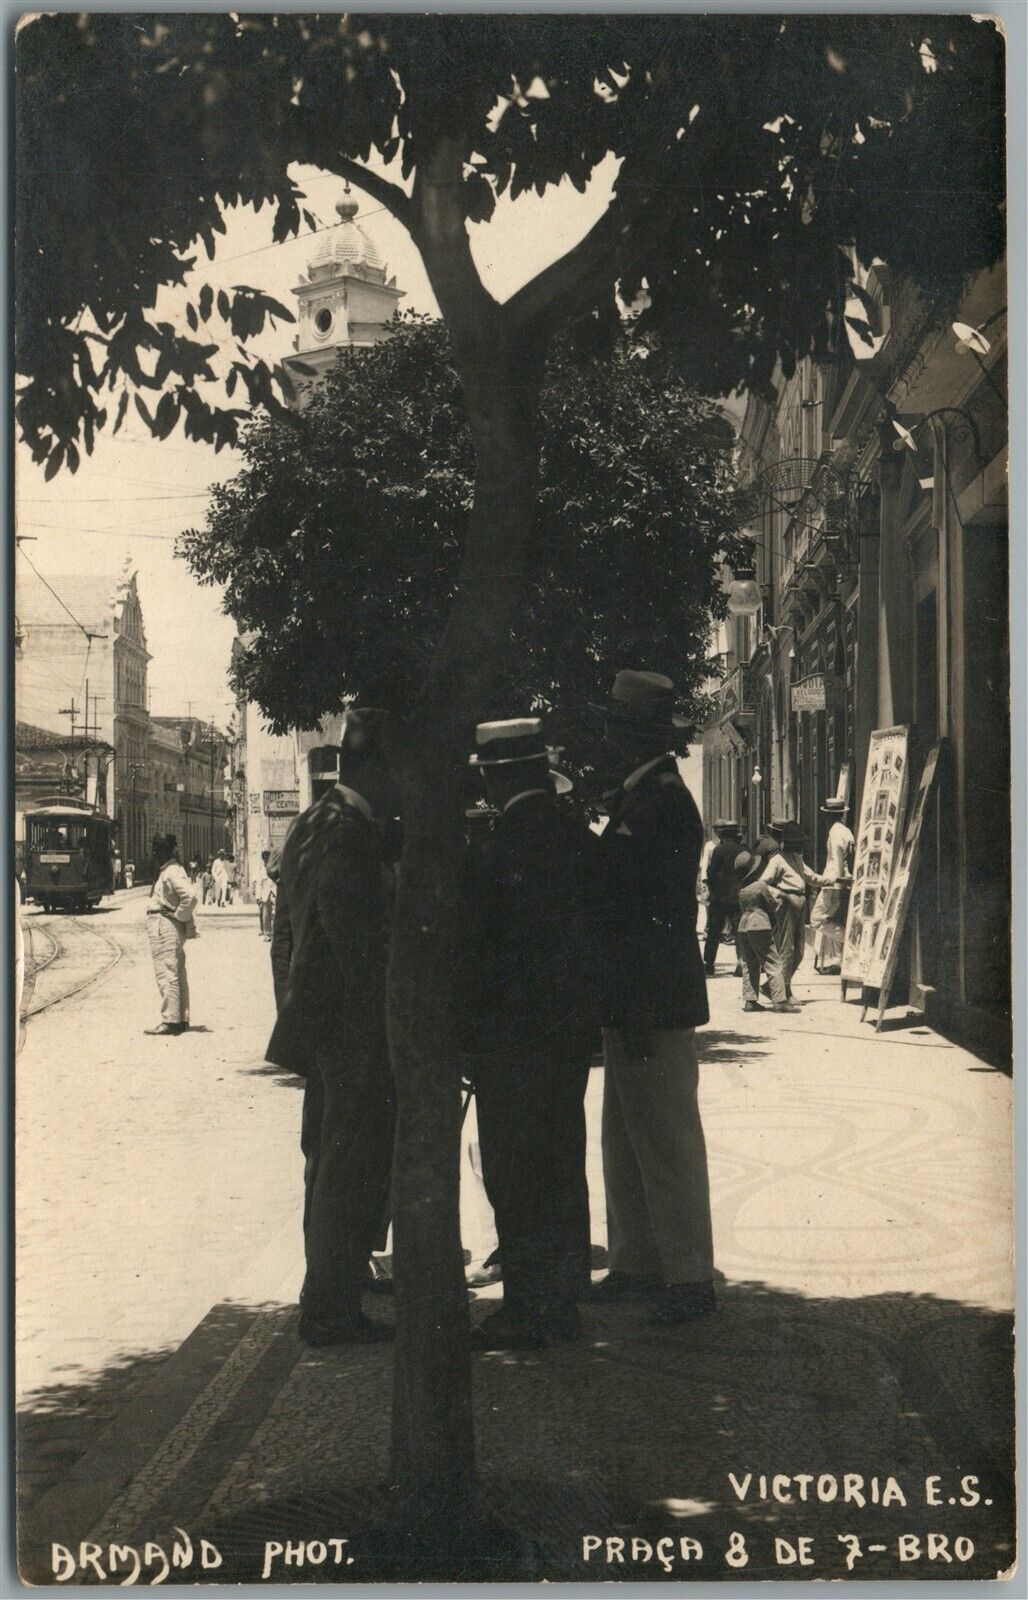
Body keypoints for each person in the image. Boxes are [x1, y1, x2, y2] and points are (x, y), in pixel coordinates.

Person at [460, 718, 599, 1350]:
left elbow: (478, 955)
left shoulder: (495, 849)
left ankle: (528, 1308)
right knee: (562, 1156)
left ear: (494, 774)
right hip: (566, 1032)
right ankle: (565, 1295)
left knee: (515, 1172)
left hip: (508, 1039)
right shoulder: (579, 838)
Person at [266, 708, 401, 1347]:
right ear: (377, 768)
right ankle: (330, 1306)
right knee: (349, 1162)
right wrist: (391, 1024)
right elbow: (357, 948)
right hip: (350, 1026)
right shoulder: (347, 835)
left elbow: (288, 937)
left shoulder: (313, 822)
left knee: (327, 1158)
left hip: (320, 1021)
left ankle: (335, 1281)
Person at [588, 670, 716, 1324]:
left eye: (615, 725)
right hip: (634, 997)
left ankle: (688, 1276)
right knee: (623, 1136)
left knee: (664, 1136)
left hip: (651, 1000)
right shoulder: (642, 797)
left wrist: (635, 1004)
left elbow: (651, 915)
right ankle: (636, 1260)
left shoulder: (659, 803)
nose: (606, 737)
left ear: (635, 732)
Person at [144, 835, 198, 1036]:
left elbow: (190, 896)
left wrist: (178, 915)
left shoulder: (171, 872)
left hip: (164, 926)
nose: (154, 855)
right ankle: (181, 1017)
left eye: (156, 851)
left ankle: (170, 1020)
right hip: (168, 925)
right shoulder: (170, 870)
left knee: (167, 972)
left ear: (163, 852)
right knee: (176, 971)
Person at [735, 849, 797, 1014]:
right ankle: (779, 1000)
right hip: (760, 925)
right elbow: (772, 905)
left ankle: (750, 1000)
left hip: (743, 926)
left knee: (749, 963)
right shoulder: (760, 886)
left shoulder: (742, 890)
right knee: (772, 961)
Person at [811, 798, 855, 973]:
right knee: (832, 919)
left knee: (817, 919)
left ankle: (851, 941)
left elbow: (838, 856)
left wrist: (838, 880)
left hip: (834, 881)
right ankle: (838, 958)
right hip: (842, 879)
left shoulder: (835, 832)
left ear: (828, 816)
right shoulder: (847, 831)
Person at [703, 819, 744, 977]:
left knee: (713, 932)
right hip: (737, 897)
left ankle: (709, 964)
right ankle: (740, 963)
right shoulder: (743, 850)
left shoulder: (718, 851)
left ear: (722, 835)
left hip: (719, 898)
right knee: (739, 932)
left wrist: (712, 891)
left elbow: (711, 873)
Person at [254, 850, 276, 939]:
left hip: (274, 892)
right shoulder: (261, 869)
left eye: (267, 859)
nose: (266, 861)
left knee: (275, 914)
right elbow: (259, 884)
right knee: (266, 914)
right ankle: (267, 933)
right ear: (263, 859)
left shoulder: (274, 866)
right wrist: (258, 897)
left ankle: (274, 932)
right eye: (265, 859)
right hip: (265, 893)